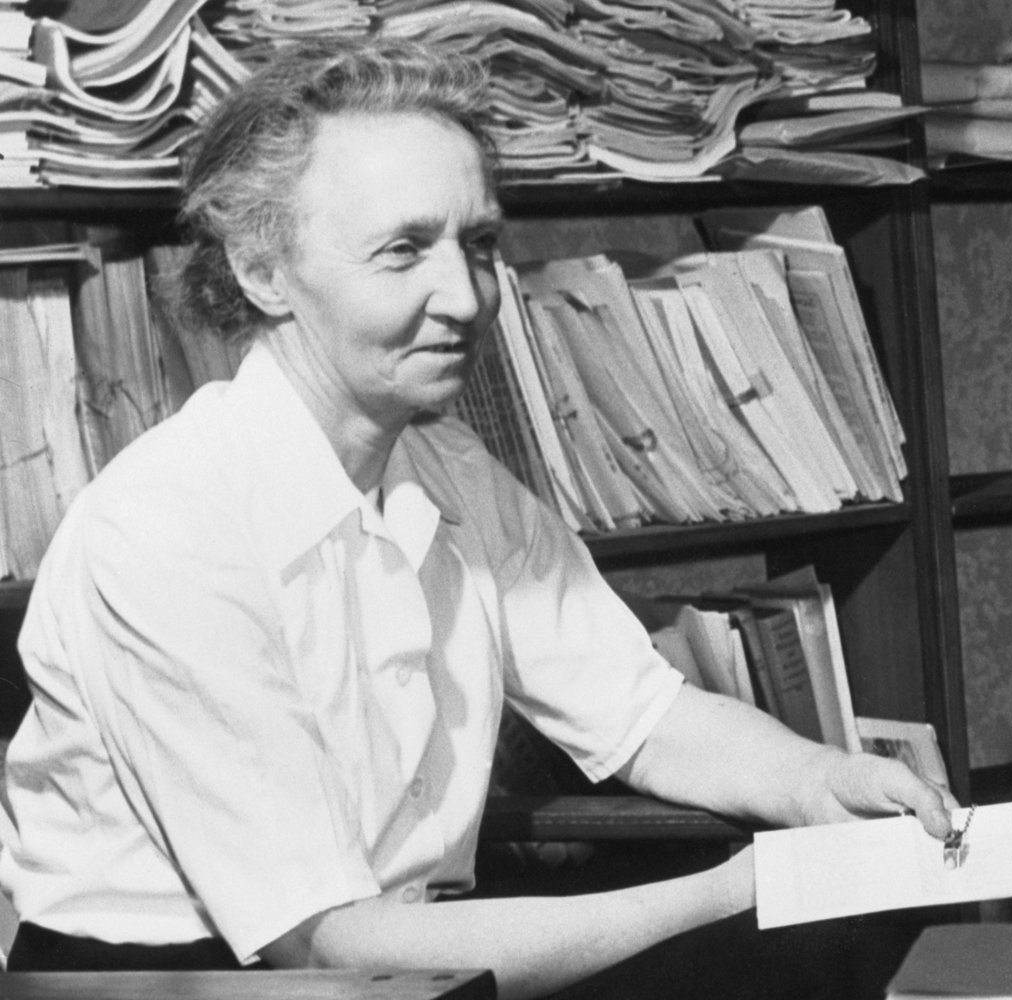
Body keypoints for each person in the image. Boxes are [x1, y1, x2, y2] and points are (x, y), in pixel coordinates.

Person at [0, 37, 953, 998]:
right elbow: (327, 947)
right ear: (262, 270)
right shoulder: (166, 530)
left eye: (481, 245)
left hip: (415, 956)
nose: (465, 297)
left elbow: (645, 716)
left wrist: (816, 782)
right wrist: (739, 891)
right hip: (185, 986)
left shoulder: (446, 463)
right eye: (403, 250)